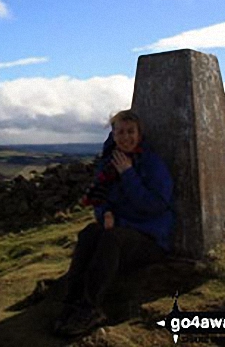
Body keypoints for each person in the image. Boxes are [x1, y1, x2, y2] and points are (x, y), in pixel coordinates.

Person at [53, 110, 174, 337]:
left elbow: (156, 206)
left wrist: (128, 174)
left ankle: (91, 309)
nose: (125, 137)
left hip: (150, 238)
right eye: (120, 132)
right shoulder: (110, 162)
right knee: (89, 232)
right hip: (122, 229)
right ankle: (72, 303)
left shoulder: (151, 164)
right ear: (113, 134)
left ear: (139, 135)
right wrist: (106, 212)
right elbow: (100, 198)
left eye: (130, 132)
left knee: (111, 238)